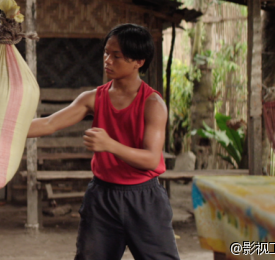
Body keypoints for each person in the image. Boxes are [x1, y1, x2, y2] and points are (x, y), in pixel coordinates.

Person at [27, 23, 180, 260]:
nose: (107, 60)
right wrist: (4, 129)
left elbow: (151, 159)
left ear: (138, 61)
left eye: (116, 56)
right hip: (102, 197)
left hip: (144, 199)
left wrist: (110, 145)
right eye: (106, 53)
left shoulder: (153, 104)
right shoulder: (92, 98)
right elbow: (49, 124)